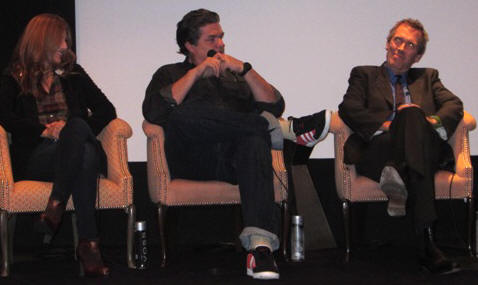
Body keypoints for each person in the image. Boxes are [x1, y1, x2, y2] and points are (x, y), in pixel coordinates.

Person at [143, 9, 329, 280]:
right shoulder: (170, 72)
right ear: (189, 45)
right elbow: (155, 111)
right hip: (192, 159)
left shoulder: (234, 77)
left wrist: (245, 69)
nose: (220, 44)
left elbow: (274, 104)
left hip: (232, 160)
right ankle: (286, 130)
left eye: (221, 37)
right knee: (181, 115)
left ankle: (260, 249)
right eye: (212, 39)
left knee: (254, 140)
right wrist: (197, 73)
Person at [338, 18, 463, 274]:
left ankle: (397, 173)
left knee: (412, 115)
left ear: (417, 56)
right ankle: (427, 243)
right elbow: (348, 108)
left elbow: (454, 105)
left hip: (421, 149)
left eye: (409, 44)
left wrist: (429, 121)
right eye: (397, 40)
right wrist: (389, 124)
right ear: (387, 43)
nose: (400, 47)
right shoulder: (364, 74)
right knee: (408, 119)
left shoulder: (428, 77)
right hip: (378, 150)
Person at [0, 14, 116, 277]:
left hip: (73, 146)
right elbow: (5, 116)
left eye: (67, 40)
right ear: (43, 40)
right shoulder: (14, 77)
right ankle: (89, 245)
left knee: (76, 130)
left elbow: (106, 110)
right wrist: (44, 130)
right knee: (84, 152)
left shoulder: (74, 75)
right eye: (61, 39)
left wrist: (74, 128)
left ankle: (56, 206)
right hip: (39, 156)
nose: (65, 46)